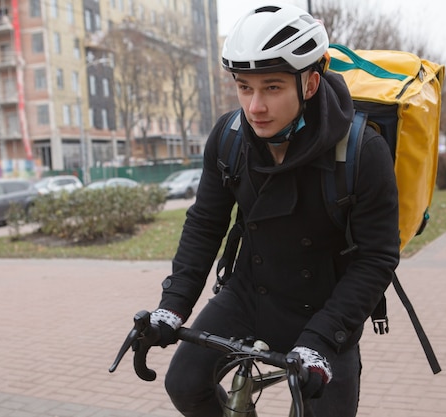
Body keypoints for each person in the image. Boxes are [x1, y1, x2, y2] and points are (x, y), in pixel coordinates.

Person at [146, 3, 400, 416]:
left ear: (311, 83)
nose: (255, 106)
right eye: (245, 87)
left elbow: (377, 258)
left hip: (327, 304)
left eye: (273, 87)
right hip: (251, 291)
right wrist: (173, 304)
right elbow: (205, 224)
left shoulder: (362, 151)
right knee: (185, 383)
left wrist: (320, 341)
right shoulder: (228, 138)